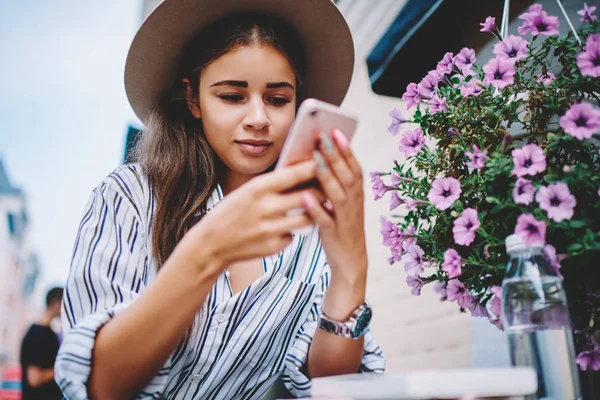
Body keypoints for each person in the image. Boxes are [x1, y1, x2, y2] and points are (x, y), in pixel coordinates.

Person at [54, 0, 385, 399]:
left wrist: (351, 273)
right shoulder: (130, 196)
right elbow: (98, 386)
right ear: (193, 100)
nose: (259, 118)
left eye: (278, 99)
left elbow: (326, 387)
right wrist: (207, 251)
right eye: (232, 96)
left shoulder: (309, 228)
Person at [19, 287, 64, 400]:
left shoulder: (48, 333)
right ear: (56, 303)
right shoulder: (38, 334)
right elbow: (35, 378)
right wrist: (64, 368)